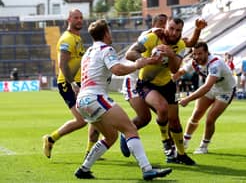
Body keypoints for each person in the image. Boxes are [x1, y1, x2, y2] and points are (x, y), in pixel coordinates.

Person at [74, 19, 172, 180]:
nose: (110, 34)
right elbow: (118, 69)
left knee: (111, 136)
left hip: (82, 101)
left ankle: (84, 169)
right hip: (95, 97)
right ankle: (147, 169)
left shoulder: (89, 52)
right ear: (106, 33)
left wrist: (145, 61)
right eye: (109, 31)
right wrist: (136, 66)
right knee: (130, 129)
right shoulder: (106, 49)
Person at [122, 17, 203, 165]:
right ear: (166, 26)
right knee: (162, 108)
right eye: (171, 28)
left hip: (167, 84)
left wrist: (171, 55)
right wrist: (146, 60)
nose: (174, 32)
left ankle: (181, 154)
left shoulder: (179, 44)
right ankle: (166, 141)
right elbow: (129, 53)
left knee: (175, 121)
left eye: (178, 30)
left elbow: (174, 68)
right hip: (146, 83)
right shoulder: (153, 37)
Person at [42, 9, 99, 158]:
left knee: (97, 114)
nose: (79, 20)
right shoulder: (67, 39)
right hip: (68, 83)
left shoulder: (77, 37)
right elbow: (62, 64)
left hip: (81, 82)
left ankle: (90, 151)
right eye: (76, 18)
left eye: (81, 17)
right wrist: (73, 83)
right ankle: (50, 139)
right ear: (69, 19)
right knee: (81, 121)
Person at [120, 14, 168, 158]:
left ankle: (171, 149)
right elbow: (134, 50)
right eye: (160, 23)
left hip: (148, 83)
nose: (163, 27)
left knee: (164, 112)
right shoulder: (147, 35)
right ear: (154, 24)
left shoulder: (166, 41)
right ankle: (125, 133)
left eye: (165, 24)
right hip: (133, 81)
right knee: (144, 117)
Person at [179, 42, 236, 154]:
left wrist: (187, 99)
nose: (196, 57)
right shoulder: (195, 62)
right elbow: (182, 71)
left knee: (210, 119)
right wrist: (171, 78)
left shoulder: (215, 63)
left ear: (206, 52)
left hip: (226, 90)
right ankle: (184, 142)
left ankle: (204, 146)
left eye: (200, 54)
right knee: (196, 115)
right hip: (213, 87)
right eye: (194, 54)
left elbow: (206, 86)